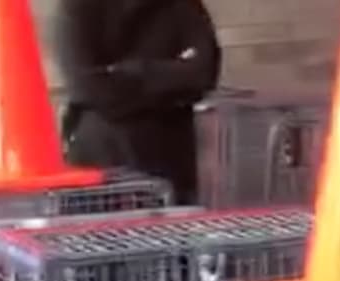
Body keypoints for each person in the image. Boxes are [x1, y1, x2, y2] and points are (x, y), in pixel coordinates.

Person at [54, 0, 222, 205]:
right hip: (101, 165)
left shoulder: (181, 4)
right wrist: (171, 81)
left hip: (170, 157)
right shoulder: (79, 7)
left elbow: (203, 73)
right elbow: (87, 88)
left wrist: (128, 72)